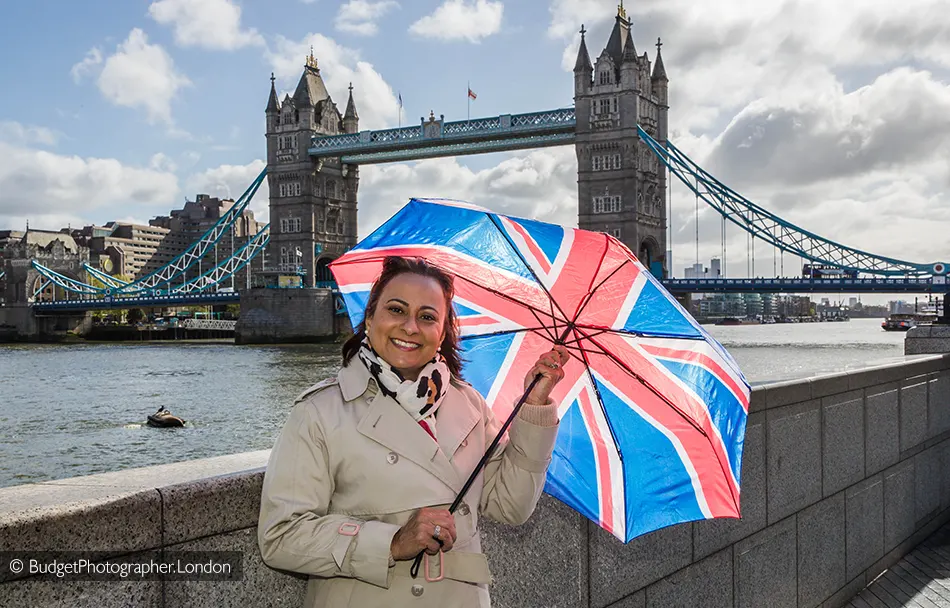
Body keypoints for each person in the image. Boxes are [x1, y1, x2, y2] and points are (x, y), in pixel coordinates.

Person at [258, 256, 569, 607]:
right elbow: (281, 536)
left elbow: (511, 507)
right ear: (370, 317)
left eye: (427, 317)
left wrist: (535, 408)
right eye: (396, 310)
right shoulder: (320, 411)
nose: (410, 327)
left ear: (442, 333)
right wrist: (391, 542)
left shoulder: (469, 406)